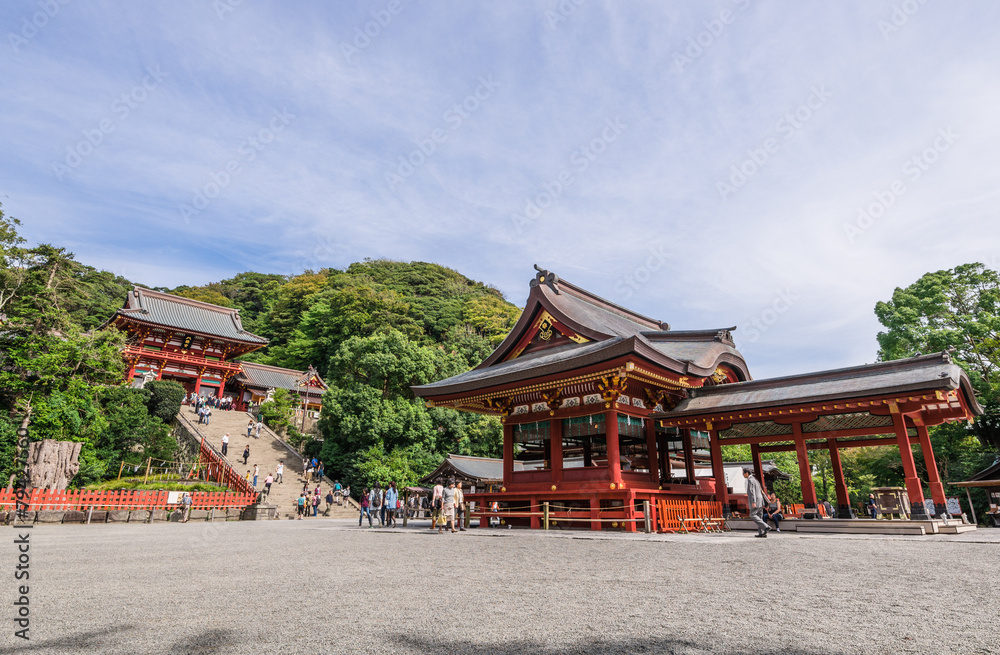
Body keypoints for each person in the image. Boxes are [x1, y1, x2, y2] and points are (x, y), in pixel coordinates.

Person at [743, 468, 770, 538]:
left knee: (752, 515)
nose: (743, 475)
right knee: (759, 516)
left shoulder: (750, 480)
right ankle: (762, 532)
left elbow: (752, 492)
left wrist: (753, 501)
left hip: (756, 500)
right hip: (760, 500)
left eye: (743, 473)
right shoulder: (756, 480)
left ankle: (766, 527)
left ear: (747, 473)